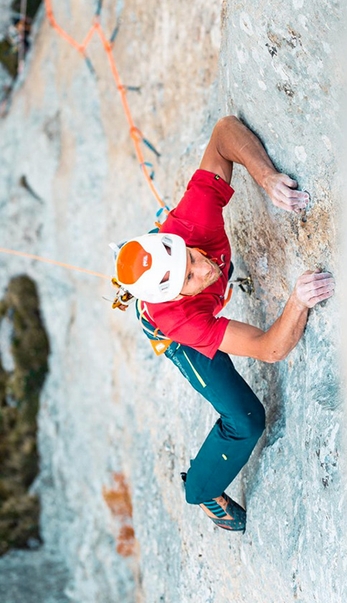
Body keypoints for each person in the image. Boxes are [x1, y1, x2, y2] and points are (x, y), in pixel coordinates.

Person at [110, 116, 335, 532]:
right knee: (245, 419)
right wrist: (297, 302)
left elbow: (224, 131)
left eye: (192, 258)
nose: (205, 269)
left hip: (176, 272)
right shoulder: (181, 320)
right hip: (174, 336)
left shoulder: (191, 223)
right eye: (190, 279)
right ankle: (200, 489)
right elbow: (270, 348)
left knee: (203, 263)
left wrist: (264, 176)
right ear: (175, 296)